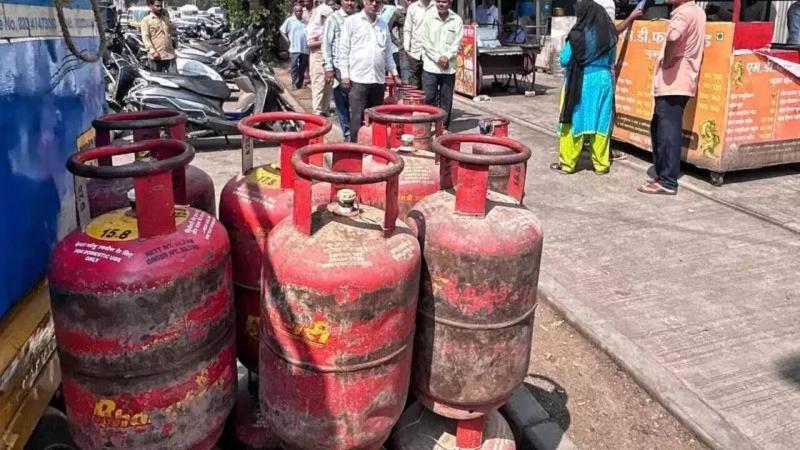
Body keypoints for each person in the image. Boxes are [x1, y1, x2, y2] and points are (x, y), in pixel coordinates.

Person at [638, 0, 705, 195]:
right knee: (661, 127)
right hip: (682, 80)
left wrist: (667, 60)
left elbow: (674, 37)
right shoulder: (697, 12)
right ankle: (663, 175)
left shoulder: (683, 13)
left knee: (667, 131)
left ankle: (668, 181)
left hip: (673, 82)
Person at [549, 0, 617, 176]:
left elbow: (564, 59)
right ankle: (601, 165)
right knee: (601, 120)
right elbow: (612, 59)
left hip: (580, 81)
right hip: (604, 81)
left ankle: (567, 163)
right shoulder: (609, 35)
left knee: (573, 120)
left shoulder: (577, 35)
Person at [337, 0, 399, 142]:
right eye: (371, 1)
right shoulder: (352, 22)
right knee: (357, 118)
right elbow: (343, 50)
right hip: (358, 79)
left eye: (378, 1)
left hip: (378, 79)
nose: (374, 4)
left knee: (376, 118)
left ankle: (373, 149)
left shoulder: (383, 24)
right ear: (364, 1)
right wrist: (345, 75)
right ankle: (355, 149)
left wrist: (394, 72)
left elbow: (388, 51)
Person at [420, 0, 463, 129]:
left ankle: (443, 128)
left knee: (446, 100)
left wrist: (447, 57)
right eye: (438, 1)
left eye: (444, 1)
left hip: (448, 68)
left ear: (450, 2)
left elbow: (457, 43)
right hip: (431, 66)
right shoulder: (428, 18)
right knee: (428, 97)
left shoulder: (456, 20)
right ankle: (427, 127)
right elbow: (425, 42)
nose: (440, 4)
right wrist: (438, 58)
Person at [324, 0, 358, 140]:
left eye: (352, 0)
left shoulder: (359, 18)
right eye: (346, 0)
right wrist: (328, 67)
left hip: (356, 67)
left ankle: (356, 133)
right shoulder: (333, 19)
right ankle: (347, 133)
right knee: (342, 103)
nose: (349, 3)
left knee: (356, 102)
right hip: (339, 67)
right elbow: (326, 44)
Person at [307, 1, 335, 115]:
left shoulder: (329, 27)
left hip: (327, 56)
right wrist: (324, 41)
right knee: (318, 84)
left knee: (328, 84)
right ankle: (317, 111)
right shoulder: (313, 27)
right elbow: (310, 44)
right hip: (317, 56)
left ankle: (325, 109)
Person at [403, 0, 435, 88]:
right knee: (413, 85)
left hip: (431, 54)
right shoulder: (412, 7)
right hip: (415, 52)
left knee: (429, 85)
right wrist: (406, 47)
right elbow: (407, 29)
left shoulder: (436, 7)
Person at [140, 0, 176, 73]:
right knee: (157, 78)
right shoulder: (146, 20)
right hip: (156, 56)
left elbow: (169, 34)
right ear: (151, 6)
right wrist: (152, 51)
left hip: (169, 55)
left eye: (161, 6)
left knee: (175, 77)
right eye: (157, 6)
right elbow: (145, 37)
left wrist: (173, 28)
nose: (160, 8)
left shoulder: (166, 19)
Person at [281, 3, 310, 89]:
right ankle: (294, 82)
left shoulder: (305, 22)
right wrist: (287, 40)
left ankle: (299, 83)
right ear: (294, 11)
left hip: (304, 48)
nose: (299, 12)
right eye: (297, 11)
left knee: (302, 67)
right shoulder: (290, 20)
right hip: (294, 47)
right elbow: (282, 30)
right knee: (294, 66)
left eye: (300, 11)